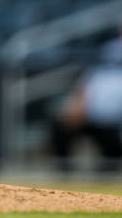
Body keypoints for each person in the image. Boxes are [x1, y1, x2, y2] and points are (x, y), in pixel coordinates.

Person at [50, 24, 122, 173]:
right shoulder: (110, 49)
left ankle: (108, 171)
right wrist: (78, 100)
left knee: (111, 149)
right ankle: (65, 172)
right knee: (62, 123)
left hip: (116, 118)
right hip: (93, 114)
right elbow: (91, 77)